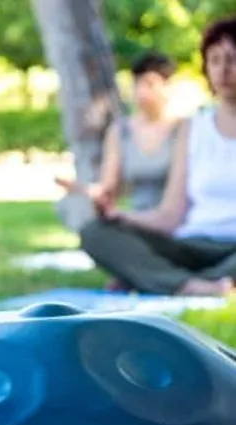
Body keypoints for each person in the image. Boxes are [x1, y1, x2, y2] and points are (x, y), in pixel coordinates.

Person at [77, 16, 236, 297]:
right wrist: (120, 216)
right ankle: (193, 284)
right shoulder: (193, 127)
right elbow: (171, 215)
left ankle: (161, 280)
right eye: (215, 60)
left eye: (233, 60)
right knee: (95, 232)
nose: (224, 70)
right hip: (189, 244)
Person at [56, 51, 182, 222]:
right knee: (93, 233)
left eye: (150, 84)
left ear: (168, 86)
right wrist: (86, 191)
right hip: (138, 219)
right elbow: (108, 187)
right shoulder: (121, 131)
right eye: (137, 84)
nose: (141, 92)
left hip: (177, 221)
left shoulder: (185, 129)